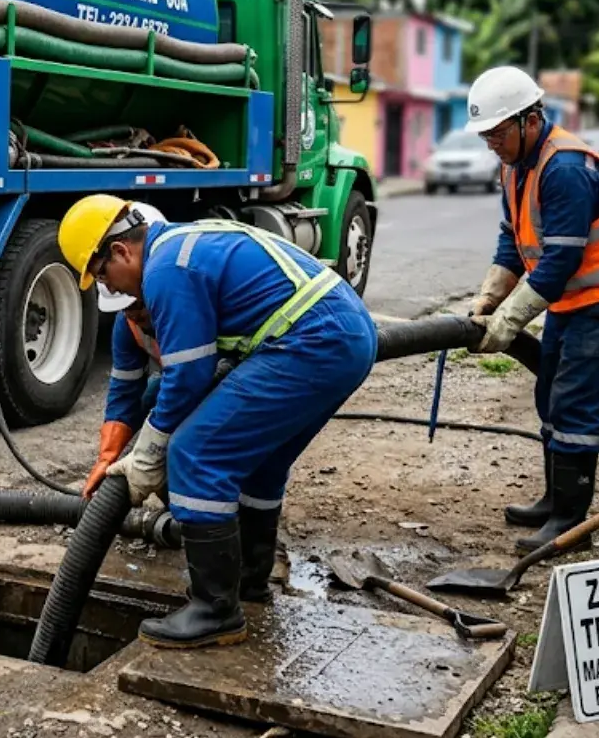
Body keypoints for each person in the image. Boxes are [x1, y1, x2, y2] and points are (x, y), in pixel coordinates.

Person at [59, 196, 378, 649]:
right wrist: (112, 457)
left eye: (105, 275)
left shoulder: (165, 269)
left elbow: (188, 374)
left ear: (120, 252)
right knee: (260, 464)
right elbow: (133, 393)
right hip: (341, 336)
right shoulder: (181, 248)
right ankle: (247, 583)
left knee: (194, 452)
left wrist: (148, 457)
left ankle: (214, 610)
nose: (116, 290)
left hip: (313, 340)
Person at [464, 66, 599, 552]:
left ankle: (570, 523)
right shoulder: (515, 165)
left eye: (497, 133)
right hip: (574, 299)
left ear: (530, 120)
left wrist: (507, 322)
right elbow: (514, 240)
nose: (492, 144)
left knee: (575, 404)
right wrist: (490, 297)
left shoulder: (566, 168)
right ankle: (555, 498)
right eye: (486, 136)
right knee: (550, 393)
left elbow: (560, 261)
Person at [86, 202, 167, 499]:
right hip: (182, 385)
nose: (134, 315)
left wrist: (153, 446)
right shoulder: (127, 326)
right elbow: (124, 392)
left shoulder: (180, 300)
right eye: (126, 308)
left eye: (136, 304)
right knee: (150, 398)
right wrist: (107, 458)